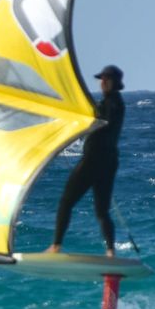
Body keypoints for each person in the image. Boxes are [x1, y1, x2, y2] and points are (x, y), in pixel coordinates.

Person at [48, 65, 125, 256]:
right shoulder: (110, 103)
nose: (102, 82)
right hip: (108, 162)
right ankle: (110, 252)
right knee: (102, 211)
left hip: (94, 161)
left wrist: (90, 114)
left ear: (114, 82)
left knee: (66, 202)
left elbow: (104, 121)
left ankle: (56, 247)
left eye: (106, 79)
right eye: (101, 79)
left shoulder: (113, 104)